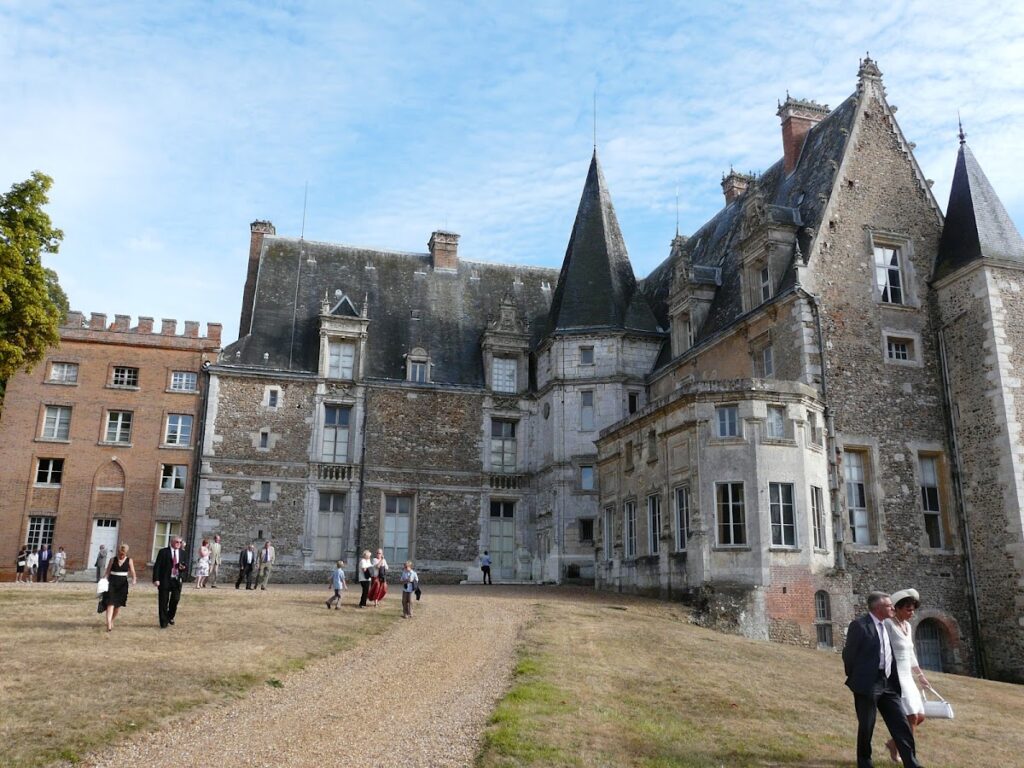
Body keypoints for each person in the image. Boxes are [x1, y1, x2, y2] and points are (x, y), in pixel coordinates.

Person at [843, 591, 923, 768]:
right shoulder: (860, 625)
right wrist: (856, 679)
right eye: (889, 605)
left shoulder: (888, 625)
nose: (893, 608)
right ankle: (865, 762)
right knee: (867, 725)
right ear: (878, 608)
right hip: (868, 684)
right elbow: (848, 654)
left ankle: (912, 762)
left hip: (888, 683)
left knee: (901, 724)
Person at [884, 588, 930, 763]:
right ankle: (907, 756)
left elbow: (910, 653)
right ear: (898, 608)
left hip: (907, 677)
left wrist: (920, 675)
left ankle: (893, 743)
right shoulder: (888, 624)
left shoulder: (908, 626)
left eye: (913, 609)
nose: (912, 612)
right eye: (908, 609)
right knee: (910, 717)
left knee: (920, 716)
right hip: (895, 676)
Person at [102, 543, 137, 632]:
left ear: (126, 553)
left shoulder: (129, 560)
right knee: (110, 603)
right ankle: (109, 623)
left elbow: (132, 571)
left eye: (123, 554)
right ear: (118, 552)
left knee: (117, 606)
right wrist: (103, 580)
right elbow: (107, 571)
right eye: (120, 554)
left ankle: (112, 620)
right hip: (112, 582)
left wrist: (134, 579)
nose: (121, 556)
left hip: (122, 585)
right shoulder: (112, 560)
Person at [152, 535, 185, 628]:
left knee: (175, 599)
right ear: (171, 542)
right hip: (165, 579)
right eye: (177, 542)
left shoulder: (182, 553)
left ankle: (170, 616)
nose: (179, 544)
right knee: (163, 601)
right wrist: (156, 579)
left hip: (176, 580)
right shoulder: (163, 552)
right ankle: (163, 622)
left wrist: (183, 568)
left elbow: (184, 565)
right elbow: (157, 566)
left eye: (180, 542)